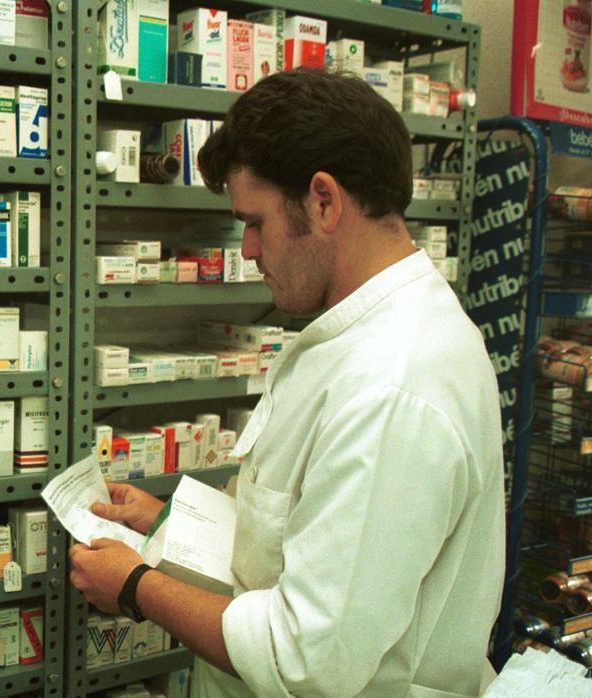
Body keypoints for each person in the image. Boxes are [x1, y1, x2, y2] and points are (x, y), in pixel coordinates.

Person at [68, 70, 505, 697]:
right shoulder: (353, 335)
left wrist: (136, 586)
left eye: (255, 222)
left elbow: (308, 658)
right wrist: (167, 523)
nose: (247, 249)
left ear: (324, 202)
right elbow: (298, 539)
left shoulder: (392, 384)